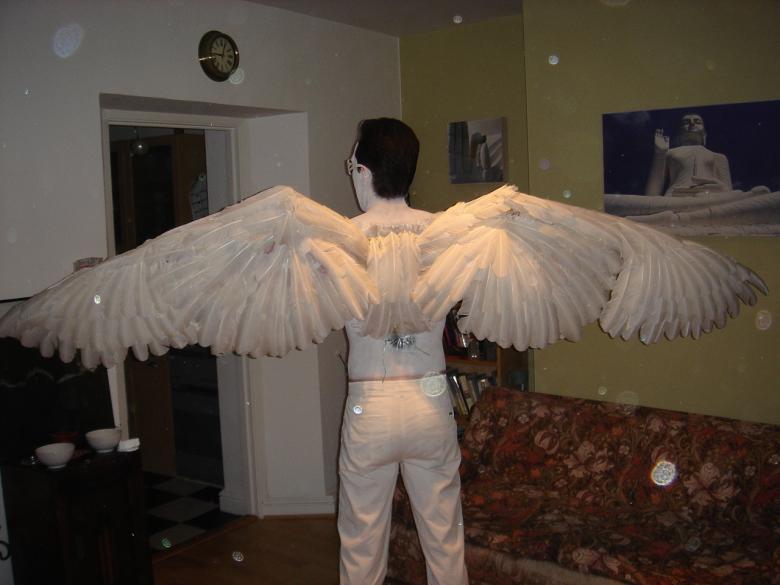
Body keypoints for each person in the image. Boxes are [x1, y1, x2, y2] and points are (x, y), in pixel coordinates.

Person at [338, 118, 468, 585]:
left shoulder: (340, 239)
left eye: (352, 166)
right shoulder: (445, 234)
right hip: (429, 400)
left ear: (363, 172)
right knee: (445, 542)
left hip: (369, 402)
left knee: (361, 544)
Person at [644, 113, 733, 197]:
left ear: (704, 134)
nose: (692, 123)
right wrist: (660, 153)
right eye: (686, 122)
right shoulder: (669, 153)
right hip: (676, 197)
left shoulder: (718, 157)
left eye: (697, 122)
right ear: (679, 134)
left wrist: (718, 188)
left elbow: (728, 193)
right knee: (637, 201)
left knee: (740, 197)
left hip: (709, 196)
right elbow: (651, 195)